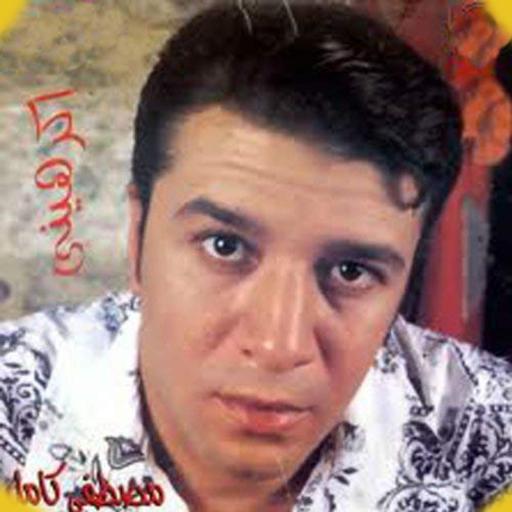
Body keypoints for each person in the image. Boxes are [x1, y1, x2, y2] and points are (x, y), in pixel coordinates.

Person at [1, 2, 511, 511]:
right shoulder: (16, 405)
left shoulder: (489, 434)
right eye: (225, 246)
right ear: (137, 241)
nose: (277, 345)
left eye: (350, 271)